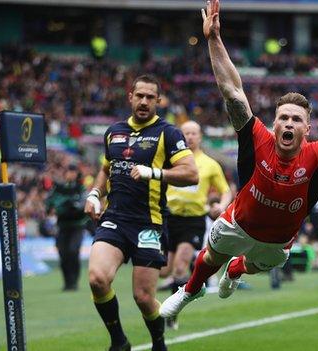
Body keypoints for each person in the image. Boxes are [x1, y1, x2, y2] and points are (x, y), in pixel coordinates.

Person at [160, 0, 318, 318]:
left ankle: (237, 270)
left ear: (307, 128)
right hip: (239, 222)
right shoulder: (257, 137)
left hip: (278, 241)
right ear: (274, 123)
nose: (288, 123)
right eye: (283, 117)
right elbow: (232, 90)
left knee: (254, 264)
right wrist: (214, 39)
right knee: (210, 257)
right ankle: (190, 290)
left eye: (296, 120)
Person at [83, 75, 198, 351]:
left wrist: (154, 173)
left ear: (158, 101)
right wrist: (94, 194)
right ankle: (119, 341)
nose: (144, 101)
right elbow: (105, 169)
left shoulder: (168, 133)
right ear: (130, 97)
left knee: (144, 298)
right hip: (115, 219)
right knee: (97, 279)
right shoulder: (113, 132)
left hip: (149, 224)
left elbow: (191, 173)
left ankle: (159, 343)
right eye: (140, 96)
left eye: (150, 97)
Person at [160, 120, 232, 330]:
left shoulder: (210, 164)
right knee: (164, 271)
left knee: (181, 265)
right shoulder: (171, 161)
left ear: (200, 137)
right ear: (181, 137)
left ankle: (172, 314)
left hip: (193, 220)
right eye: (186, 133)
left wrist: (221, 205)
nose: (190, 137)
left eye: (194, 133)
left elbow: (225, 190)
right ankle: (182, 291)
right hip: (169, 218)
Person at [46, 164, 88, 291]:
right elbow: (50, 202)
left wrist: (68, 205)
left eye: (73, 172)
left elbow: (82, 204)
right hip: (62, 226)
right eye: (69, 171)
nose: (71, 174)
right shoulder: (58, 188)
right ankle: (67, 282)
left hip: (77, 226)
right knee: (62, 253)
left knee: (73, 251)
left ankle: (74, 281)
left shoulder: (80, 188)